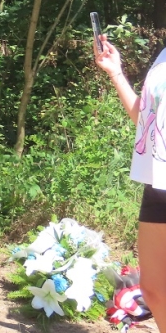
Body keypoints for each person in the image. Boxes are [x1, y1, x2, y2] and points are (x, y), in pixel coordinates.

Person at [95, 37, 166, 328]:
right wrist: (116, 73)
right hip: (158, 182)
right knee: (154, 289)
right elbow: (145, 120)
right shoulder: (163, 57)